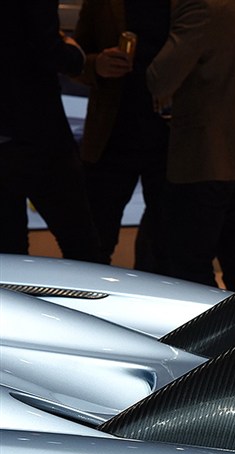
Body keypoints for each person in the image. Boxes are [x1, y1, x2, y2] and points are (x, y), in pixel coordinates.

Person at [146, 0, 235, 291]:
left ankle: (204, 323)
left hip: (205, 155)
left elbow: (159, 78)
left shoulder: (202, 6)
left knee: (189, 266)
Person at [73, 0, 171, 271]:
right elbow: (76, 57)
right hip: (111, 137)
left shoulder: (188, 4)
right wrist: (96, 64)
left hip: (170, 137)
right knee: (94, 243)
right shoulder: (102, 2)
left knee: (165, 246)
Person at [0, 1, 102, 263]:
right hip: (38, 132)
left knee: (9, 252)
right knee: (81, 244)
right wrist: (74, 52)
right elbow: (49, 49)